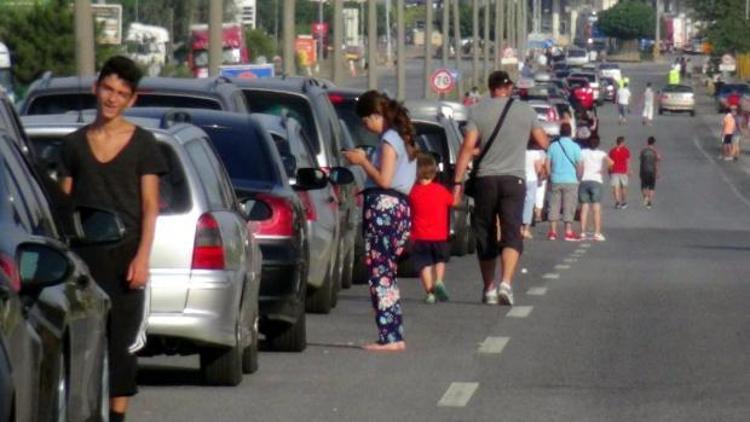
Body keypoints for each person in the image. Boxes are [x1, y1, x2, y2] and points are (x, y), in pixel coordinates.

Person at [59, 56, 167, 422]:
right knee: (83, 345)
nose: (112, 98)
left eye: (121, 93)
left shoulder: (143, 144)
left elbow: (151, 206)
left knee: (121, 350)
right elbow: (63, 205)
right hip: (83, 263)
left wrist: (142, 258)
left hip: (125, 261)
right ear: (96, 88)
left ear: (132, 100)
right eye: (107, 89)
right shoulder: (73, 145)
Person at [452, 70, 549, 306]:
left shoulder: (477, 111)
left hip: (485, 180)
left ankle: (489, 288)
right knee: (511, 232)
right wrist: (519, 139)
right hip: (514, 180)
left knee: (485, 234)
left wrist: (457, 184)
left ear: (491, 87)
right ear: (509, 87)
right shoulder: (525, 111)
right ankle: (506, 282)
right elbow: (543, 141)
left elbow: (467, 148)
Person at [342, 90, 417, 352]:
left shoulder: (389, 140)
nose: (366, 127)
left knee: (380, 274)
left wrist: (362, 161)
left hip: (385, 208)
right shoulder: (402, 138)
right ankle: (392, 332)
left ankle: (390, 336)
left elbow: (384, 180)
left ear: (377, 115)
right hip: (398, 208)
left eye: (366, 121)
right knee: (386, 273)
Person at [408, 153, 454, 304]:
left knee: (424, 264)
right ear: (434, 173)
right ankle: (439, 280)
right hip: (440, 235)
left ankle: (429, 292)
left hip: (420, 235)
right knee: (440, 260)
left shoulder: (413, 192)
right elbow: (452, 202)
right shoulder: (440, 190)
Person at [545, 123, 583, 241]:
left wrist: (550, 175)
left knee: (554, 204)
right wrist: (579, 177)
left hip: (556, 179)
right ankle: (568, 231)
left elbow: (547, 163)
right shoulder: (575, 146)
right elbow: (580, 164)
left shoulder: (553, 146)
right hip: (571, 179)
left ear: (560, 132)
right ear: (570, 132)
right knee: (569, 205)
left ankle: (553, 231)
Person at [579, 135, 614, 240]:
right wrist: (603, 169)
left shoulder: (583, 152)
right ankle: (597, 233)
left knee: (584, 208)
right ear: (598, 144)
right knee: (596, 208)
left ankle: (583, 232)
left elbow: (580, 165)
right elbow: (612, 162)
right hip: (596, 180)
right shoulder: (601, 153)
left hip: (584, 180)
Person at [522, 140, 547, 239]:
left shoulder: (522, 152)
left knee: (519, 203)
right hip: (532, 180)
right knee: (529, 204)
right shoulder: (536, 154)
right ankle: (526, 230)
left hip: (521, 179)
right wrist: (541, 178)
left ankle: (519, 228)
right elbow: (539, 169)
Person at [639, 136, 662, 209]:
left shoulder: (643, 151)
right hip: (652, 171)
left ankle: (645, 197)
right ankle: (649, 202)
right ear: (654, 143)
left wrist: (640, 172)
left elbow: (640, 160)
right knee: (652, 187)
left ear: (647, 142)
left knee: (643, 187)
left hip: (644, 171)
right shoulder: (655, 152)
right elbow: (658, 160)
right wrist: (657, 172)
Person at [609, 136, 631, 209]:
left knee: (615, 187)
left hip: (614, 171)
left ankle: (617, 202)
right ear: (622, 142)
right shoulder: (626, 150)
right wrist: (629, 170)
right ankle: (624, 202)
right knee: (623, 187)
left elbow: (610, 162)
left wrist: (609, 170)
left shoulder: (612, 151)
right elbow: (628, 161)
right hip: (623, 171)